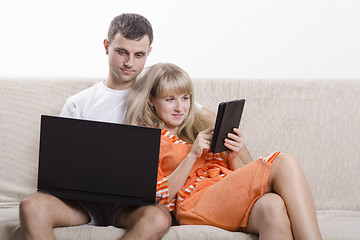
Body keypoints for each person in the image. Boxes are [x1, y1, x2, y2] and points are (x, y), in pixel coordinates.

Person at [19, 13, 215, 240]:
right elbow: (59, 169)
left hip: (130, 207)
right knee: (31, 206)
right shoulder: (79, 102)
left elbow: (208, 118)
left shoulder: (158, 95)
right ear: (107, 46)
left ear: (148, 53)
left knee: (158, 218)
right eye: (122, 52)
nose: (129, 63)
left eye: (139, 55)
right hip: (82, 203)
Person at [126, 63, 323, 240]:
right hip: (193, 204)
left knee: (272, 206)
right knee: (284, 162)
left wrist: (233, 157)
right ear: (151, 100)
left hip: (221, 197)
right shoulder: (148, 138)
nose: (180, 107)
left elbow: (230, 183)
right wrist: (191, 156)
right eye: (170, 100)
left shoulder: (197, 128)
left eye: (185, 98)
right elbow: (158, 196)